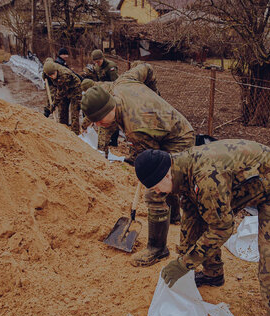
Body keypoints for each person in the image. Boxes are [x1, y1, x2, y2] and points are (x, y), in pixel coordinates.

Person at [134, 140, 270, 316]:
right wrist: (183, 258)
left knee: (269, 252)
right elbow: (191, 221)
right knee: (201, 219)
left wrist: (185, 263)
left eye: (156, 187)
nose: (157, 192)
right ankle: (213, 274)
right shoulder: (179, 170)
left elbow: (222, 228)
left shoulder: (205, 178)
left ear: (166, 175)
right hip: (245, 184)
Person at [81, 63, 195, 266]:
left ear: (108, 109)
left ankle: (158, 248)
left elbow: (151, 162)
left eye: (99, 121)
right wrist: (155, 95)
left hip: (179, 138)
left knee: (155, 189)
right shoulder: (121, 83)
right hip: (166, 127)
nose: (98, 126)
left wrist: (154, 100)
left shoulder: (136, 128)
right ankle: (174, 216)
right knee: (166, 181)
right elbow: (146, 67)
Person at [43, 58, 82, 135]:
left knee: (74, 112)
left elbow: (60, 94)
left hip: (75, 89)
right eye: (50, 75)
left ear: (56, 70)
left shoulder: (64, 75)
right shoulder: (47, 70)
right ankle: (63, 131)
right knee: (62, 112)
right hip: (63, 89)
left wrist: (53, 104)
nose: (53, 76)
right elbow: (47, 62)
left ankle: (75, 134)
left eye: (54, 74)